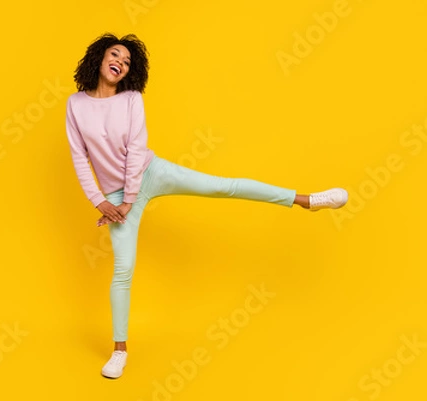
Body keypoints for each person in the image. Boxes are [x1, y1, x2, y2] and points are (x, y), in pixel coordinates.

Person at [65, 32, 348, 379]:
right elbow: (80, 157)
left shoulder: (132, 99)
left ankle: (305, 200)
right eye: (116, 55)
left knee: (222, 187)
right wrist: (101, 201)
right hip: (112, 197)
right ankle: (120, 351)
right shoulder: (75, 105)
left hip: (148, 173)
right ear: (98, 57)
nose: (121, 63)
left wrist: (127, 201)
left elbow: (137, 149)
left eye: (127, 62)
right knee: (123, 271)